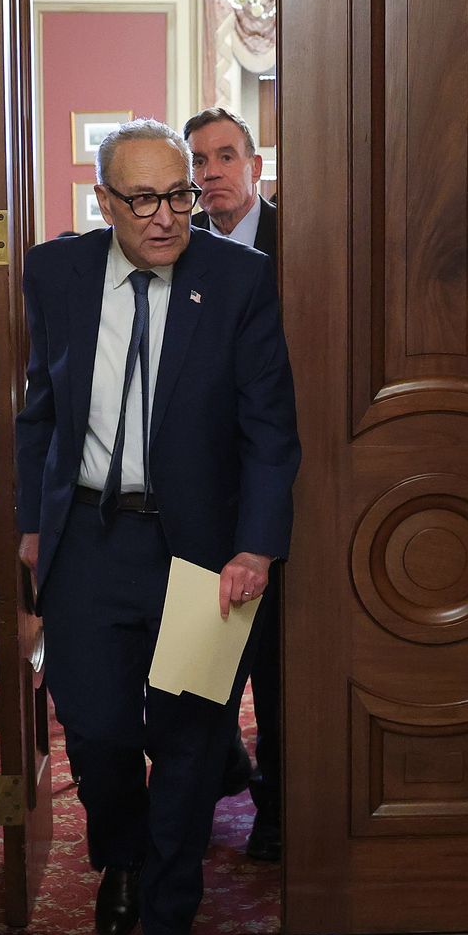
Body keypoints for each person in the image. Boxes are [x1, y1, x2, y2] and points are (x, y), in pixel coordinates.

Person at [14, 118, 299, 935]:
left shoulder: (240, 278)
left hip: (203, 555)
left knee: (188, 744)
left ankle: (170, 921)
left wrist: (256, 545)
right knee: (96, 732)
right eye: (143, 199)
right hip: (90, 545)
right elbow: (40, 411)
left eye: (179, 194)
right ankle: (122, 859)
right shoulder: (56, 271)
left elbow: (269, 428)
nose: (169, 216)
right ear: (104, 202)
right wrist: (33, 522)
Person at [184, 106, 284, 862]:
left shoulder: (296, 242)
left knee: (279, 666)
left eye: (225, 157)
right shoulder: (177, 252)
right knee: (198, 665)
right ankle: (224, 770)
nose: (211, 172)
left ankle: (277, 810)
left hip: (277, 479)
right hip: (197, 491)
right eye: (200, 161)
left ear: (254, 166)